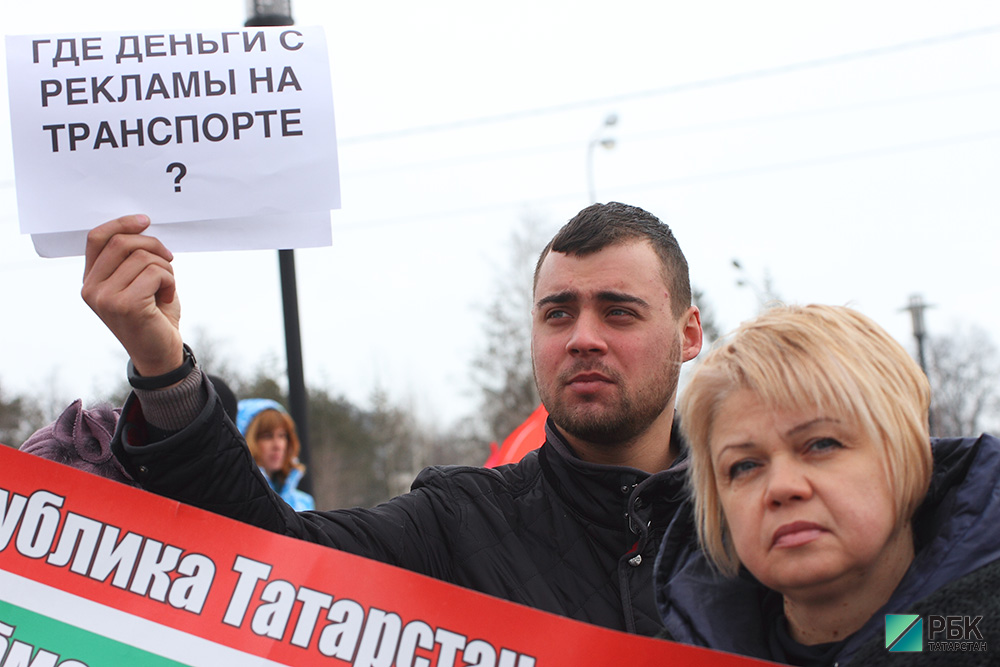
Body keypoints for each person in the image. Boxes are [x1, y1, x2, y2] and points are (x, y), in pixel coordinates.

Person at [81, 201, 703, 635]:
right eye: (558, 314)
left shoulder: (758, 519)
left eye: (619, 312)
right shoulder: (460, 524)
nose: (582, 338)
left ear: (689, 333)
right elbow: (269, 559)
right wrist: (164, 369)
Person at [654, 304, 1000, 665]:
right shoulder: (665, 657)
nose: (782, 487)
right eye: (744, 466)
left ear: (909, 454)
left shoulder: (974, 636)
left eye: (821, 445)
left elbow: (910, 638)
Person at [236, 397, 315, 511]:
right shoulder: (235, 501)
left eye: (282, 436)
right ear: (245, 440)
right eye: (267, 436)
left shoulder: (304, 503)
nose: (278, 445)